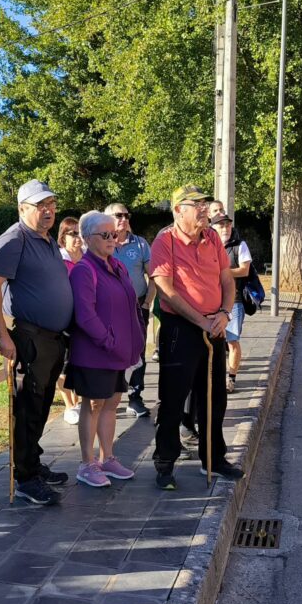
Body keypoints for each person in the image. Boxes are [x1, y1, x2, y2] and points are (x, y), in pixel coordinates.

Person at [150, 184, 244, 490]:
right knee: (173, 399)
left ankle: (214, 457)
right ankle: (165, 462)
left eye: (205, 204)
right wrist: (200, 320)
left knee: (214, 396)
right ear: (179, 210)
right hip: (181, 328)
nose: (205, 209)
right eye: (197, 204)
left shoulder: (213, 237)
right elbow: (166, 289)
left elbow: (227, 280)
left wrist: (224, 314)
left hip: (214, 325)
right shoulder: (165, 240)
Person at [0, 179, 74, 505]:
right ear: (22, 208)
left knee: (40, 406)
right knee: (27, 408)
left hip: (52, 338)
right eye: (40, 205)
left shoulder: (46, 238)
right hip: (28, 337)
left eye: (51, 204)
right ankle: (24, 477)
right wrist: (1, 334)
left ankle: (33, 463)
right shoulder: (15, 239)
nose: (48, 210)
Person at [68, 211, 143, 487]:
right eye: (105, 234)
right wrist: (108, 341)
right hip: (96, 353)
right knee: (94, 403)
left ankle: (107, 458)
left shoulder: (117, 266)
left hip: (118, 352)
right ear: (88, 238)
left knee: (111, 403)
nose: (113, 238)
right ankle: (87, 463)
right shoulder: (84, 270)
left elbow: (130, 303)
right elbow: (85, 315)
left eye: (114, 233)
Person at [106, 202, 156, 417]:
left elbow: (153, 275)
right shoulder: (101, 242)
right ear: (107, 218)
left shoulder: (140, 244)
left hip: (138, 306)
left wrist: (146, 304)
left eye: (126, 215)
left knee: (138, 353)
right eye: (118, 215)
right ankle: (110, 395)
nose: (124, 219)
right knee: (111, 350)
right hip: (110, 309)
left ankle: (135, 398)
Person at [210, 212, 252, 394]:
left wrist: (222, 272)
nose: (225, 228)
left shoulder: (239, 245)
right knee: (212, 341)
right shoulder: (208, 245)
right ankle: (212, 377)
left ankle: (231, 378)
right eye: (221, 225)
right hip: (211, 301)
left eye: (227, 225)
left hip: (234, 301)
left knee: (232, 340)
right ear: (213, 228)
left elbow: (244, 270)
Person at [56, 216, 84, 426]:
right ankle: (69, 405)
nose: (77, 238)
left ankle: (81, 400)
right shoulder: (58, 260)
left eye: (80, 233)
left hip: (84, 320)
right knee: (65, 364)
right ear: (62, 237)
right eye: (72, 233)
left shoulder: (87, 258)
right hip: (64, 320)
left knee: (82, 361)